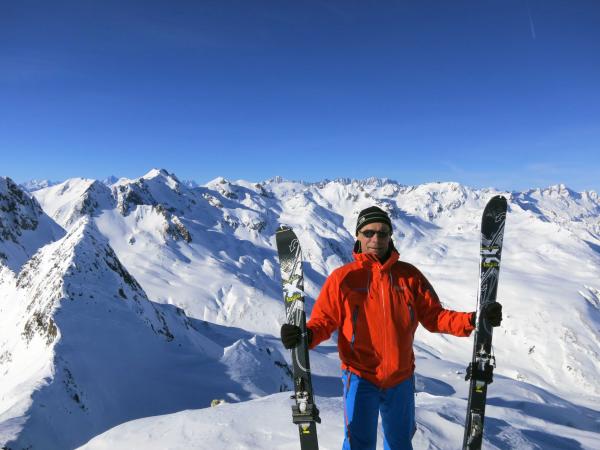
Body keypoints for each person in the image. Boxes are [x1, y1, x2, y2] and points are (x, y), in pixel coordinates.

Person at [280, 206, 502, 450]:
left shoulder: (409, 276)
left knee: (399, 444)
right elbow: (324, 320)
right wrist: (305, 335)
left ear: (390, 236)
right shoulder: (342, 278)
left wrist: (473, 319)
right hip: (360, 377)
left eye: (382, 233)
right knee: (358, 445)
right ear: (358, 236)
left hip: (400, 378)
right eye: (369, 233)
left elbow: (435, 317)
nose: (376, 238)